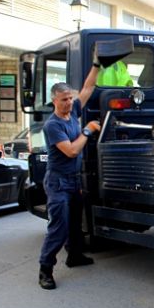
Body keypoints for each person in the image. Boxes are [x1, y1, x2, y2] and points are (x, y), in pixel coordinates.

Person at [38, 56, 101, 290]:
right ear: (54, 100)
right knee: (59, 227)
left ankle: (74, 256)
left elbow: (88, 87)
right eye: (64, 99)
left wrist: (96, 64)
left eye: (70, 99)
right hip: (58, 183)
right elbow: (72, 151)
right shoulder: (52, 125)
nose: (69, 103)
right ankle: (45, 269)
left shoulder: (73, 112)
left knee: (75, 223)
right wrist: (88, 129)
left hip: (74, 181)